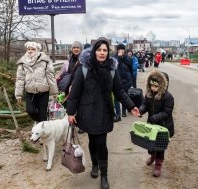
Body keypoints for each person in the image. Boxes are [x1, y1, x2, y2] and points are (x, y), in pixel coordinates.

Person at [66, 37, 140, 189]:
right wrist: (70, 112)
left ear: (108, 52)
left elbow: (119, 91)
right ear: (94, 51)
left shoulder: (112, 70)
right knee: (92, 141)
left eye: (105, 50)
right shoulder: (84, 68)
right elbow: (75, 92)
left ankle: (104, 175)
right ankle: (94, 165)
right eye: (99, 50)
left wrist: (131, 106)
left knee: (101, 143)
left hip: (104, 111)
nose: (102, 53)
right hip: (87, 111)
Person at [139, 70, 174, 177]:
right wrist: (140, 110)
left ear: (162, 85)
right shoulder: (149, 94)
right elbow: (145, 105)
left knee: (160, 147)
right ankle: (152, 155)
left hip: (163, 126)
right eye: (151, 85)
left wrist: (155, 117)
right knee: (150, 144)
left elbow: (167, 112)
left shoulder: (168, 97)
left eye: (155, 86)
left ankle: (158, 164)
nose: (153, 88)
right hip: (152, 125)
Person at [15, 41, 58, 123]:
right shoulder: (22, 62)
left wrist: (54, 93)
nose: (30, 51)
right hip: (30, 92)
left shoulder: (45, 61)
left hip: (43, 92)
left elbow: (51, 77)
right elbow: (20, 79)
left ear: (37, 50)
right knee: (30, 111)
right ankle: (40, 124)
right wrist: (18, 94)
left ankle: (43, 130)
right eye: (28, 49)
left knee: (42, 115)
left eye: (33, 49)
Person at [57, 41, 84, 133]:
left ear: (81, 49)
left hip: (80, 85)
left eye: (78, 47)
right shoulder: (69, 59)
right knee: (70, 104)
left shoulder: (84, 59)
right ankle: (71, 123)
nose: (76, 49)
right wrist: (59, 78)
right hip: (69, 85)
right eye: (74, 47)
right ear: (72, 49)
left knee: (80, 105)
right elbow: (65, 71)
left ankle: (81, 125)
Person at [114, 44, 133, 121]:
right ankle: (118, 114)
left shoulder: (128, 58)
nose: (121, 50)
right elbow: (115, 65)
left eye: (122, 49)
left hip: (127, 80)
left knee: (125, 96)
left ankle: (124, 111)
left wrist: (132, 81)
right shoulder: (115, 58)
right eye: (119, 49)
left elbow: (130, 68)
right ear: (117, 50)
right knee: (116, 98)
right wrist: (119, 57)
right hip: (117, 81)